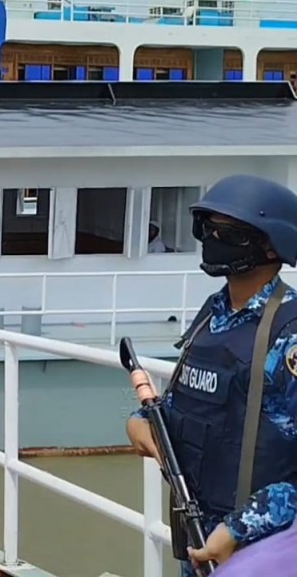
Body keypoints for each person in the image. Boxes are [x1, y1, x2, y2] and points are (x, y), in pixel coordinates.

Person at [124, 174, 297, 575]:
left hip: (260, 553)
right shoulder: (212, 316)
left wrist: (238, 529)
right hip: (199, 536)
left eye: (229, 233)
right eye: (205, 228)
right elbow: (186, 405)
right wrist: (140, 423)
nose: (212, 240)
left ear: (272, 245)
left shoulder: (288, 334)